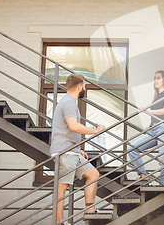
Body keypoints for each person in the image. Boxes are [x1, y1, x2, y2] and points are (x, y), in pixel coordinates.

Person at [50, 73, 105, 224]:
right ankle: (59, 221)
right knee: (62, 187)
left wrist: (77, 148)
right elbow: (73, 126)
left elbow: (66, 129)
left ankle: (90, 210)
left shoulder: (68, 102)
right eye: (85, 86)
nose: (85, 88)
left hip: (71, 151)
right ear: (80, 86)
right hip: (65, 152)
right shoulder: (68, 103)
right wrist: (95, 131)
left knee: (93, 174)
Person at [128, 70, 164, 185]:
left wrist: (149, 110)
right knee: (131, 148)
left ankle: (163, 186)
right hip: (154, 129)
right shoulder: (157, 96)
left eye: (158, 78)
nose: (155, 81)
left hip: (163, 127)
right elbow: (155, 114)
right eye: (155, 78)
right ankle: (144, 175)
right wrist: (150, 126)